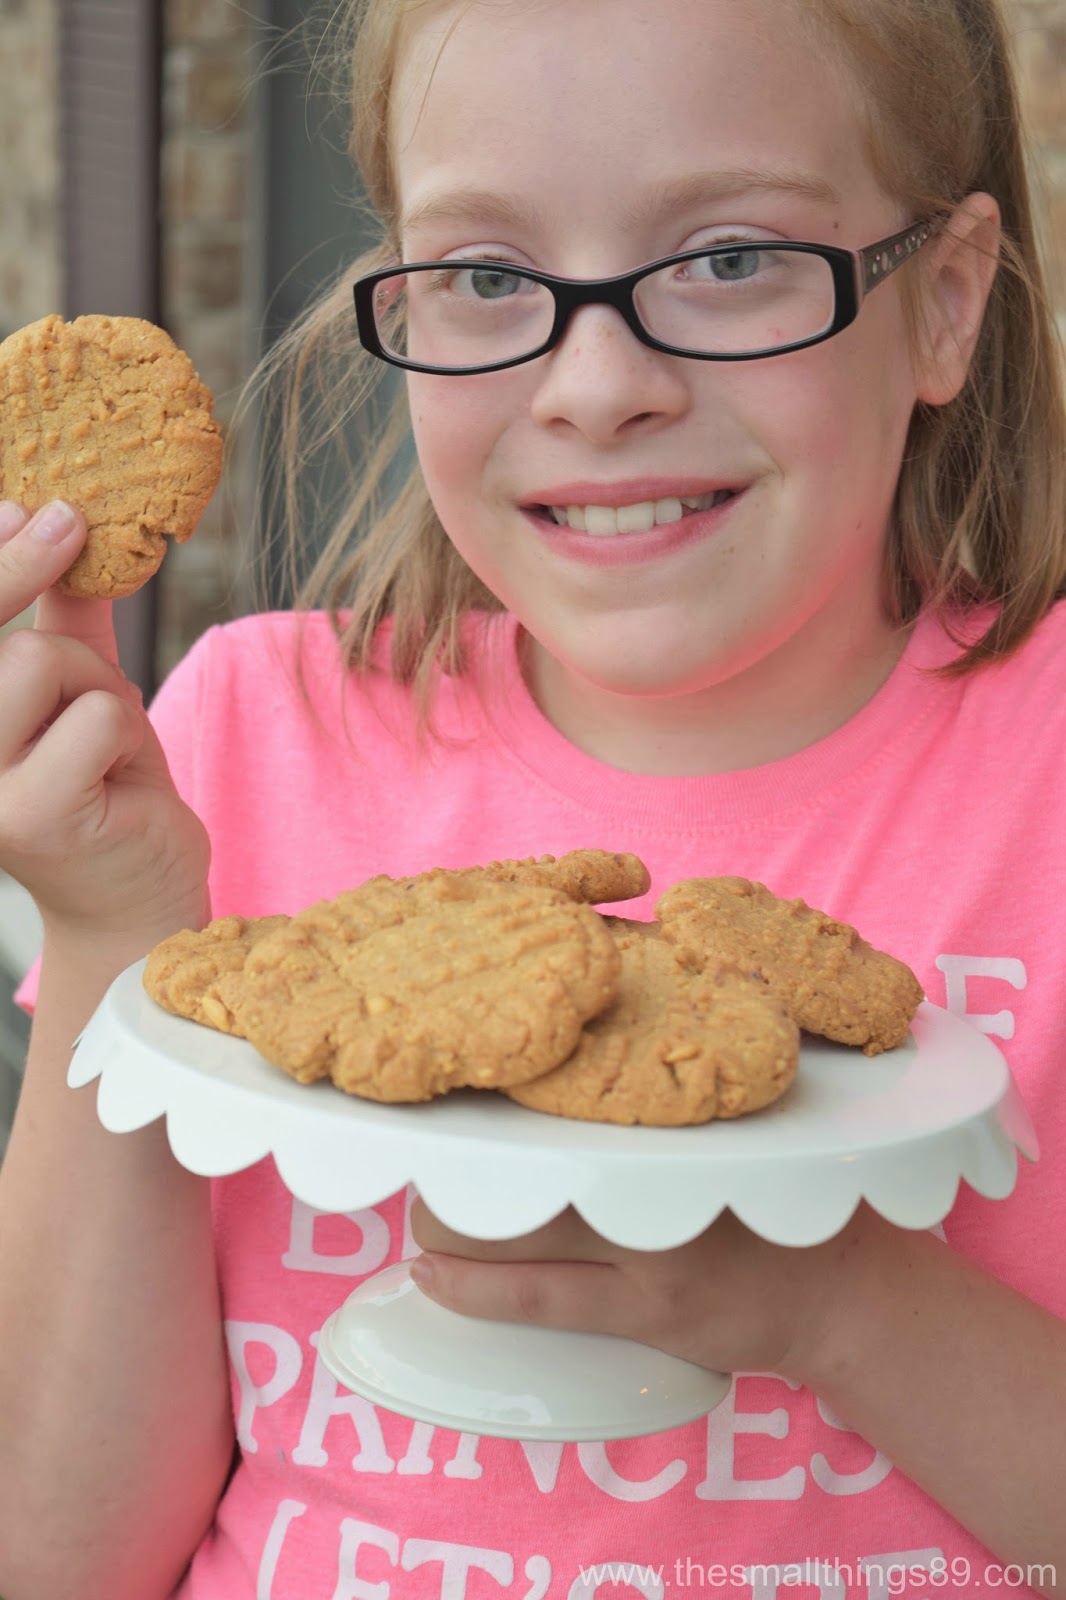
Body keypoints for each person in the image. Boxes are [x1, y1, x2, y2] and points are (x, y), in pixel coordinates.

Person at [1, 0, 1064, 1595]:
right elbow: (53, 1558)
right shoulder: (243, 744)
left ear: (946, 301)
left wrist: (839, 1305)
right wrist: (111, 941)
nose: (596, 385)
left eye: (727, 258)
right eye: (489, 277)